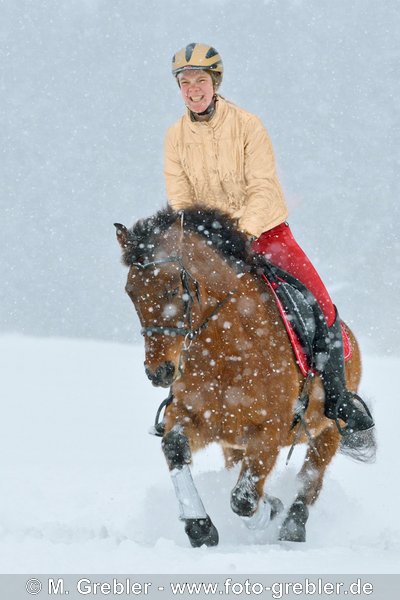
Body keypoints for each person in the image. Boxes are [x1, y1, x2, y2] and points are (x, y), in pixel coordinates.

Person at [164, 42, 374, 452]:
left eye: (200, 81)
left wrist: (241, 231)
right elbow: (180, 198)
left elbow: (261, 187)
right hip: (213, 248)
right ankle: (180, 400)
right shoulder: (175, 137)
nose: (193, 90)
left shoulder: (248, 125)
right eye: (185, 82)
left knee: (323, 306)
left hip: (266, 235)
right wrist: (201, 241)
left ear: (215, 83)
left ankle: (338, 401)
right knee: (178, 303)